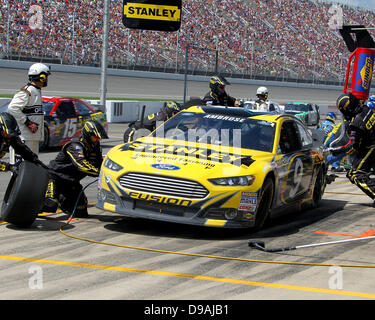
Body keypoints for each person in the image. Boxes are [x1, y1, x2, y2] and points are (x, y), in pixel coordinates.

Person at [41, 120, 108, 218]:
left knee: (81, 212)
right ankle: (27, 208)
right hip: (56, 178)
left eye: (99, 138)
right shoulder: (74, 146)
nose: (98, 140)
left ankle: (63, 199)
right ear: (88, 135)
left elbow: (100, 164)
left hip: (72, 182)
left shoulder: (96, 148)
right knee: (50, 205)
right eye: (96, 137)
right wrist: (99, 173)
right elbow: (81, 165)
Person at [330, 92, 375, 203]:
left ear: (348, 109)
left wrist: (338, 151)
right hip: (371, 143)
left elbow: (353, 147)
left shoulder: (356, 124)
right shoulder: (366, 109)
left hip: (371, 147)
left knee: (355, 174)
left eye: (344, 111)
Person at [8, 63, 51, 162]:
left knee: (31, 169)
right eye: (46, 76)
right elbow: (12, 108)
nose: (47, 80)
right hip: (24, 139)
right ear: (41, 77)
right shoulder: (27, 92)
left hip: (32, 138)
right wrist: (27, 122)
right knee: (20, 170)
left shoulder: (36, 91)